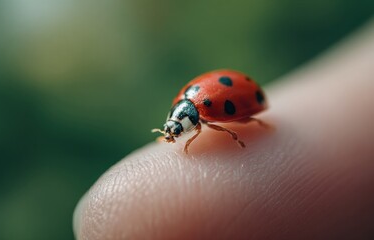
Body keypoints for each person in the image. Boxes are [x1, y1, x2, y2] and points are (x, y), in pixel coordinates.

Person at [73, 20, 374, 239]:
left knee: (233, 127)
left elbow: (211, 125)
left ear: (186, 119)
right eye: (175, 129)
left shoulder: (202, 112)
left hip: (245, 100)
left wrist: (230, 133)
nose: (176, 132)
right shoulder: (188, 106)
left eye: (177, 128)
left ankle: (248, 125)